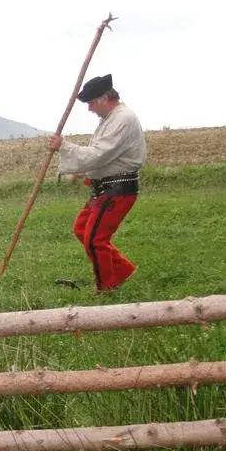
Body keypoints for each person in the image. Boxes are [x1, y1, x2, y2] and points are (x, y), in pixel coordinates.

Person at [48, 73, 146, 294]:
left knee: (94, 238)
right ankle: (121, 270)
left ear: (103, 98)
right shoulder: (109, 119)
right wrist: (81, 170)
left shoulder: (123, 119)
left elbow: (100, 153)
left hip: (118, 189)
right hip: (104, 188)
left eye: (91, 103)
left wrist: (64, 146)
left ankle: (106, 288)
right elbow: (103, 154)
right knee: (81, 229)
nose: (90, 108)